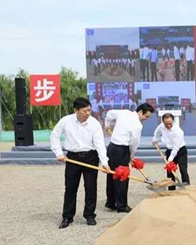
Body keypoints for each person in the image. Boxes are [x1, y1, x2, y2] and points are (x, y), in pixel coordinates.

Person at [51, 98, 111, 229]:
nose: (88, 113)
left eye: (89, 110)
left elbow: (100, 144)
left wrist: (104, 162)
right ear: (76, 110)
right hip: (72, 158)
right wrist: (58, 153)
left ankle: (89, 215)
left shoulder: (94, 123)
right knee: (70, 188)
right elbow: (55, 135)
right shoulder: (66, 121)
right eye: (85, 111)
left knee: (90, 187)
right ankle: (67, 216)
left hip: (90, 157)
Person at [104, 103, 155, 212]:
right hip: (121, 150)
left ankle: (111, 202)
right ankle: (121, 205)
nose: (146, 119)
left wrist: (107, 124)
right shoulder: (138, 125)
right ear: (140, 111)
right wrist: (131, 155)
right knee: (122, 176)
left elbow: (109, 113)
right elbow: (134, 143)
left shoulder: (124, 112)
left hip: (111, 148)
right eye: (146, 116)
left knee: (112, 174)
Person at [152, 113, 190, 190]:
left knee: (183, 170)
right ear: (163, 122)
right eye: (166, 124)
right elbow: (157, 131)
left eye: (170, 124)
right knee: (170, 172)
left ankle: (187, 188)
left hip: (180, 151)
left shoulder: (178, 131)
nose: (168, 126)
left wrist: (169, 160)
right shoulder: (161, 126)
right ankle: (171, 190)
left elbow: (176, 148)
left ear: (173, 121)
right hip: (169, 150)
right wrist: (155, 138)